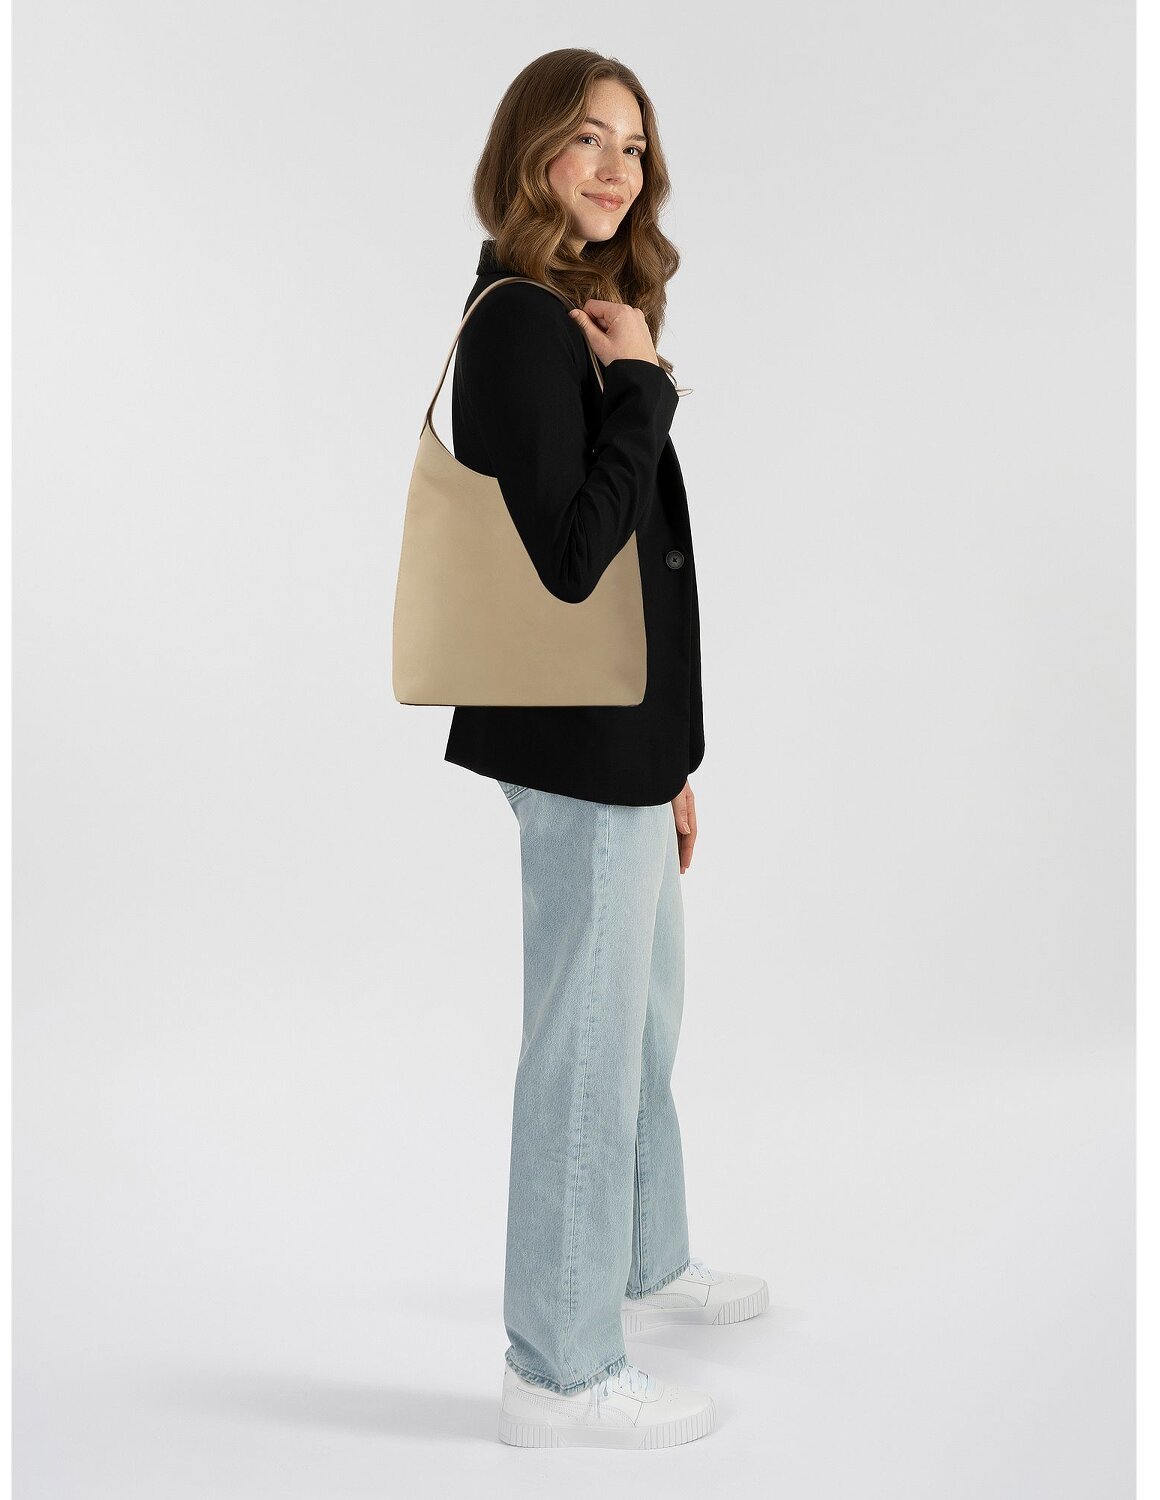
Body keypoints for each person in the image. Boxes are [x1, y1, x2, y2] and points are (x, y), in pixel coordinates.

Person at [444, 50, 768, 1450]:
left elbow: (643, 573)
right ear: (530, 152)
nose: (617, 169)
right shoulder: (521, 327)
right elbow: (575, 563)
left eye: (634, 146)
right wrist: (644, 388)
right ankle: (559, 1369)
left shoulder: (578, 313)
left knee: (637, 1017)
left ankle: (642, 1254)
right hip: (575, 749)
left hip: (621, 742)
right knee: (583, 1043)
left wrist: (672, 758)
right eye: (587, 139)